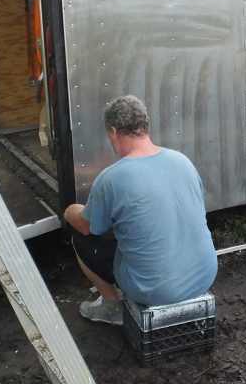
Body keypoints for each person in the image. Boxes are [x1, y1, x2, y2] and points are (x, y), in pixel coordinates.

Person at [63, 95, 218, 325]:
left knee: (80, 236)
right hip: (203, 278)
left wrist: (69, 210)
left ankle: (112, 306)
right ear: (144, 127)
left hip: (153, 290)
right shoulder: (182, 161)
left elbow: (86, 226)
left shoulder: (112, 177)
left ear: (114, 132)